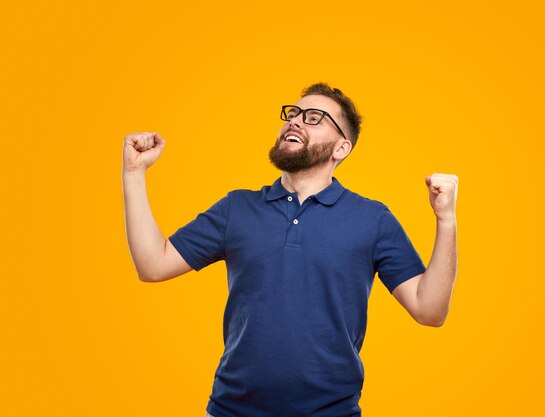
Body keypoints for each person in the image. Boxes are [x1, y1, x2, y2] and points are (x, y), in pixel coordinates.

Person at [122, 83, 458, 417]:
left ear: (341, 148)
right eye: (293, 113)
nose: (295, 121)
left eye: (314, 118)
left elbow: (429, 311)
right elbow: (153, 266)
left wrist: (446, 220)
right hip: (231, 410)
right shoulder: (236, 208)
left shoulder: (373, 219)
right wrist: (134, 173)